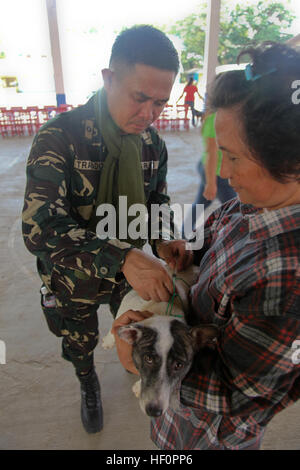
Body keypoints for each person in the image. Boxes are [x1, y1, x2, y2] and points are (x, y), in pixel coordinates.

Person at [113, 42, 300, 450]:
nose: (220, 170)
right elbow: (221, 225)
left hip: (209, 434)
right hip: (177, 411)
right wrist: (193, 250)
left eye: (231, 156)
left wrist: (144, 358)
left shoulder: (289, 281)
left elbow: (239, 393)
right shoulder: (259, 201)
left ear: (293, 163)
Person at [22, 25, 193, 434]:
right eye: (140, 98)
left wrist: (164, 235)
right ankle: (87, 383)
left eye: (160, 103)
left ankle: (139, 369)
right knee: (79, 341)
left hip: (130, 277)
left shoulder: (153, 145)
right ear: (108, 78)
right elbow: (40, 229)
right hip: (74, 275)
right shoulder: (60, 138)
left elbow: (157, 203)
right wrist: (123, 255)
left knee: (141, 333)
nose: (149, 114)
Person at [182, 110, 236, 236]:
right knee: (236, 210)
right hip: (216, 172)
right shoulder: (215, 119)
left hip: (213, 170)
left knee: (201, 203)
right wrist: (211, 183)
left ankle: (185, 233)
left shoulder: (225, 116)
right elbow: (212, 153)